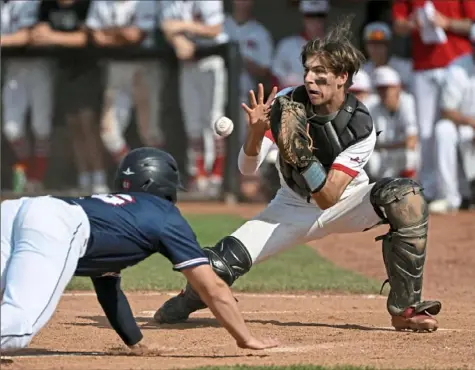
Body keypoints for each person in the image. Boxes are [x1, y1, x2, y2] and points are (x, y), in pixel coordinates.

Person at [155, 18, 442, 332]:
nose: (310, 80)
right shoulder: (287, 103)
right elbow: (245, 168)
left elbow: (328, 198)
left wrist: (303, 159)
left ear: (342, 77)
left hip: (347, 202)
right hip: (290, 206)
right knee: (216, 267)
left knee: (405, 197)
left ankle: (406, 308)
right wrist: (255, 133)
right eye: (307, 71)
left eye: (320, 74)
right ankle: (189, 299)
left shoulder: (360, 125)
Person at [0, 148, 279, 354]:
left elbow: (108, 286)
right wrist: (245, 338)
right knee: (18, 329)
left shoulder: (113, 211)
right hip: (55, 224)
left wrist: (136, 342)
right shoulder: (165, 215)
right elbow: (213, 287)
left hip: (16, 209)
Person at [392, 0, 475, 203]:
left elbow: (472, 23)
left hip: (457, 62)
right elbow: (397, 24)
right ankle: (430, 190)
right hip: (423, 65)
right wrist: (411, 23)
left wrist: (447, 22)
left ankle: (461, 190)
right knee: (427, 131)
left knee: (456, 130)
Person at [33, 0, 108, 193]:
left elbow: (85, 38)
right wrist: (52, 37)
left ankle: (99, 178)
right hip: (62, 69)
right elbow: (38, 33)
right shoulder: (47, 5)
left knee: (87, 124)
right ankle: (84, 177)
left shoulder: (85, 4)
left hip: (87, 69)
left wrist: (53, 37)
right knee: (73, 126)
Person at [160, 0, 228, 196]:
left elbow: (215, 29)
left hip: (212, 59)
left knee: (215, 120)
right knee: (192, 123)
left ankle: (217, 176)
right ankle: (198, 176)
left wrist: (181, 27)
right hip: (188, 64)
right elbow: (165, 26)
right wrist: (177, 40)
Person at [86, 0, 164, 164]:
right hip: (115, 68)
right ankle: (135, 171)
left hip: (144, 67)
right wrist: (121, 34)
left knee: (150, 132)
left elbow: (136, 36)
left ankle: (159, 176)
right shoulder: (101, 3)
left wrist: (109, 33)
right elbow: (95, 35)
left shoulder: (146, 2)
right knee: (108, 133)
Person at [1, 0, 53, 192]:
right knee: (11, 129)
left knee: (41, 127)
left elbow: (29, 35)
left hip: (38, 65)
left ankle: (36, 179)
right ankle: (29, 174)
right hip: (13, 67)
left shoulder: (34, 3)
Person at [429, 45, 475, 213]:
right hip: (463, 126)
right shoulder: (457, 68)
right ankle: (449, 197)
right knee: (443, 130)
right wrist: (470, 122)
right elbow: (447, 111)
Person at [365, 66, 419, 181]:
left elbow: (411, 141)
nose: (384, 92)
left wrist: (384, 146)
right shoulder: (372, 106)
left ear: (398, 88)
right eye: (380, 89)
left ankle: (412, 188)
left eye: (387, 88)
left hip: (400, 152)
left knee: (410, 155)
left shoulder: (408, 101)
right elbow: (367, 144)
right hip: (386, 154)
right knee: (371, 160)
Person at [272, 0, 328, 89]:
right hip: (291, 100)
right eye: (310, 16)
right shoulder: (286, 45)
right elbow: (275, 81)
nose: (315, 20)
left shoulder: (335, 48)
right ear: (303, 17)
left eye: (319, 15)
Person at [361, 22, 413, 93]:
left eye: (379, 44)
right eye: (371, 44)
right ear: (366, 46)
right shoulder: (363, 71)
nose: (375, 48)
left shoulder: (404, 67)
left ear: (388, 45)